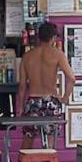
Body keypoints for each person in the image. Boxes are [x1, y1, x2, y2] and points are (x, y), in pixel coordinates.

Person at [17, 21, 75, 151]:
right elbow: (71, 79)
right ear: (53, 38)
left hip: (32, 101)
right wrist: (64, 99)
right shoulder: (58, 54)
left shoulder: (27, 57)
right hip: (51, 101)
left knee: (28, 140)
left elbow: (22, 86)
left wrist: (20, 107)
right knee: (49, 145)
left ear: (38, 37)